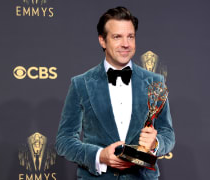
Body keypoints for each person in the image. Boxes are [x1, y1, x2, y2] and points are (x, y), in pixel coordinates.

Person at [55, 6, 175, 180]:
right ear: (102, 41)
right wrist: (99, 156)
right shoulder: (81, 84)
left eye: (130, 36)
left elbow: (167, 133)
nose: (125, 44)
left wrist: (156, 144)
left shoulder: (155, 82)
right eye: (117, 37)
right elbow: (64, 141)